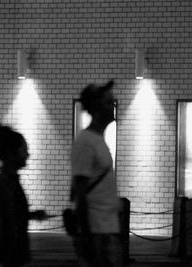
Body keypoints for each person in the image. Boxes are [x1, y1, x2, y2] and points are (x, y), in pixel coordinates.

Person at [71, 80, 124, 266]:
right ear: (97, 108)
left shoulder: (98, 140)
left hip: (106, 229)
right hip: (97, 233)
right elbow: (80, 193)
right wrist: (86, 238)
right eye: (109, 102)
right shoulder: (86, 142)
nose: (113, 106)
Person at [0, 123, 47, 266]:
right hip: (8, 258)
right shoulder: (5, 185)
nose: (28, 155)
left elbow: (9, 215)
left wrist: (32, 215)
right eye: (24, 150)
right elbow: (4, 227)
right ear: (12, 153)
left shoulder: (7, 182)